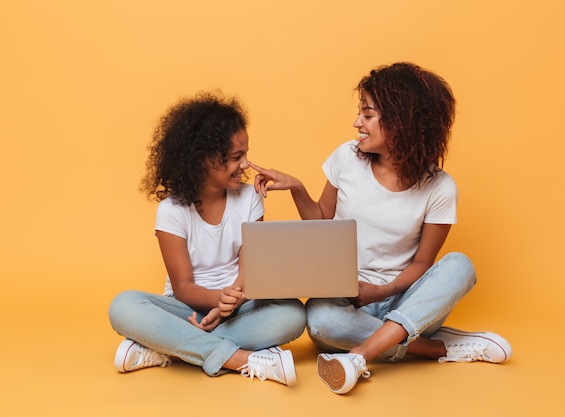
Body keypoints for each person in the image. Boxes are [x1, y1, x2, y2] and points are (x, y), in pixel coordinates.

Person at [249, 62, 512, 394]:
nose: (357, 123)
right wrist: (297, 187)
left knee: (461, 265)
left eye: (368, 115)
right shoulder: (346, 157)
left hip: (405, 299)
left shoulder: (440, 187)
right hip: (347, 301)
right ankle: (436, 348)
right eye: (360, 113)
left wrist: (380, 292)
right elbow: (321, 224)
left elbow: (421, 264)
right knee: (320, 320)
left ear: (402, 123)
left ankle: (359, 355)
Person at [108, 91, 306, 386]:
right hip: (186, 308)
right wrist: (216, 300)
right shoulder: (171, 211)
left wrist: (230, 302)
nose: (246, 165)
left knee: (294, 313)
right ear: (204, 160)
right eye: (236, 157)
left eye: (246, 155)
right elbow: (184, 287)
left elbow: (251, 268)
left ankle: (170, 349)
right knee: (122, 306)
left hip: (241, 305)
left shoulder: (250, 198)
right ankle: (241, 359)